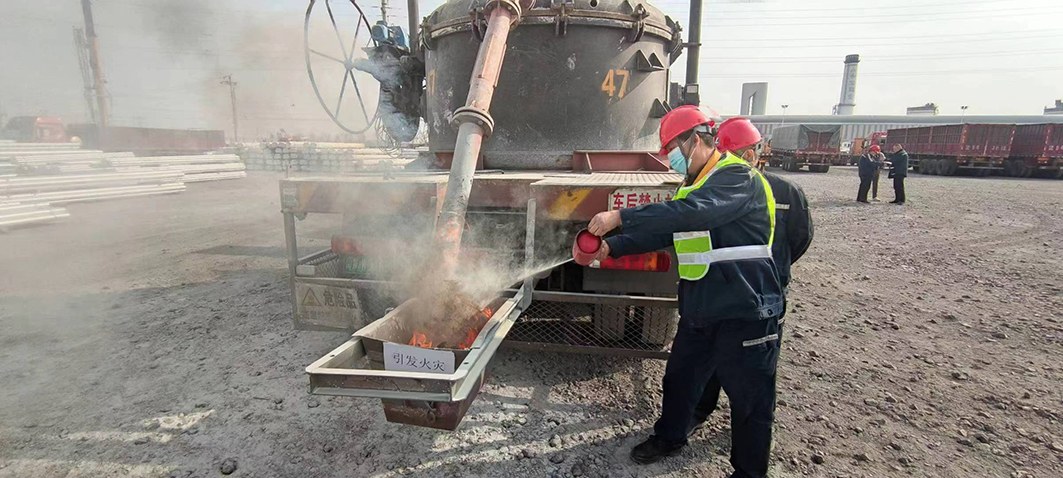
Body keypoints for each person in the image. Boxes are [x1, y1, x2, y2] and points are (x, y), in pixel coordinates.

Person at [583, 111, 784, 478]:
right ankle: (670, 437)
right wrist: (612, 248)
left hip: (745, 308)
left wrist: (622, 217)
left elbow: (688, 215)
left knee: (750, 401)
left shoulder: (737, 177)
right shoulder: (694, 185)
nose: (672, 157)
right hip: (702, 307)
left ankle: (748, 473)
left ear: (695, 140)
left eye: (673, 148)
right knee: (680, 379)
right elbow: (669, 231)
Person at [687, 125, 815, 441]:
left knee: (739, 367)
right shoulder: (782, 191)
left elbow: (800, 238)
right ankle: (714, 415)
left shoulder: (782, 193)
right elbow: (800, 240)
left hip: (744, 293)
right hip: (750, 294)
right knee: (738, 365)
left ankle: (714, 417)